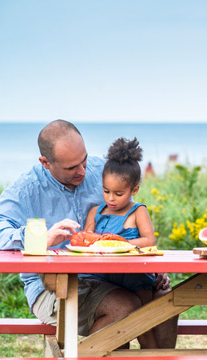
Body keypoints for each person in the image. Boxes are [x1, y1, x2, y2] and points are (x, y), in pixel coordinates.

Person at [0, 120, 177, 348]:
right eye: (71, 168)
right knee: (123, 305)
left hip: (112, 274)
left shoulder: (100, 169)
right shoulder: (26, 189)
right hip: (51, 287)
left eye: (84, 160)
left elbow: (133, 215)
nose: (83, 171)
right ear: (45, 163)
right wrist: (38, 237)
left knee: (165, 298)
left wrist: (148, 262)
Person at [83, 137, 164, 348]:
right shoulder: (96, 212)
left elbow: (148, 240)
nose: (111, 198)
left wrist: (120, 242)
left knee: (143, 326)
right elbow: (85, 240)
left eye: (119, 193)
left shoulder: (138, 211)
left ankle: (153, 356)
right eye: (106, 191)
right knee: (120, 330)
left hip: (135, 277)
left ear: (134, 190)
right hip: (103, 278)